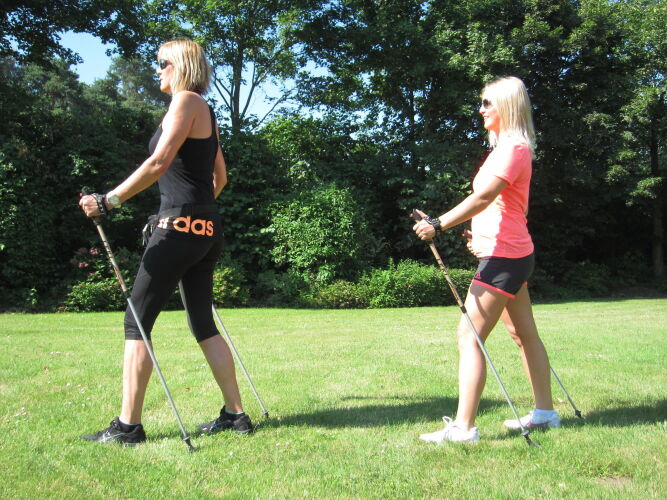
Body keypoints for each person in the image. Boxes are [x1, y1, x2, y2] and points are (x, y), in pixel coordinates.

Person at [79, 40, 252, 445]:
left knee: (136, 320)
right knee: (202, 323)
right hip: (207, 228)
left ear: (181, 65)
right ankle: (235, 415)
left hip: (178, 227)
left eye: (162, 63)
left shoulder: (185, 101)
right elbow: (220, 178)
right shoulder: (205, 109)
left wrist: (108, 201)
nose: (158, 69)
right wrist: (198, 213)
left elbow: (158, 163)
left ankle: (128, 428)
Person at [413, 76, 559, 443]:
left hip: (505, 258)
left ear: (507, 106)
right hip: (508, 253)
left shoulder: (513, 149)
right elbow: (505, 207)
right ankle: (545, 413)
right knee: (522, 334)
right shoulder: (509, 149)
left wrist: (437, 224)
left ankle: (464, 428)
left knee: (470, 336)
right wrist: (480, 236)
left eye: (487, 103)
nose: (481, 110)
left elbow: (482, 198)